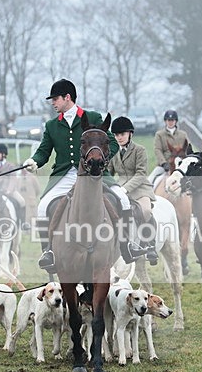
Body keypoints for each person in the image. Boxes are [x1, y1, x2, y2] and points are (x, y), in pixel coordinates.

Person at [22, 78, 148, 272]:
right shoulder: (52, 125)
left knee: (122, 199)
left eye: (55, 99)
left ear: (67, 97)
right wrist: (34, 161)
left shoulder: (93, 117)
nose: (53, 103)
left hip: (94, 173)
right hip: (65, 175)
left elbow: (112, 144)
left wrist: (100, 162)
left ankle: (127, 245)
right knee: (43, 206)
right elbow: (44, 151)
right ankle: (48, 251)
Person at [107, 116, 159, 264]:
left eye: (122, 134)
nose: (119, 137)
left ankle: (150, 245)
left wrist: (125, 189)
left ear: (130, 134)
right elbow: (109, 172)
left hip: (140, 189)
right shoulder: (113, 152)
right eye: (116, 135)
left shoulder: (139, 150)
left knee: (146, 211)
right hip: (119, 189)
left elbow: (141, 174)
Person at [0, 143, 29, 231]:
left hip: (8, 190)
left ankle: (23, 223)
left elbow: (13, 179)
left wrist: (9, 190)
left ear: (3, 154)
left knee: (22, 201)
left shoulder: (10, 166)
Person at [149, 109, 189, 183]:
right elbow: (158, 149)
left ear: (175, 121)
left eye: (172, 120)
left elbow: (188, 149)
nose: (170, 122)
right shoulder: (159, 134)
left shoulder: (183, 134)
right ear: (165, 121)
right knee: (150, 179)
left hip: (180, 164)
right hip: (165, 165)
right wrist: (163, 163)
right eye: (168, 120)